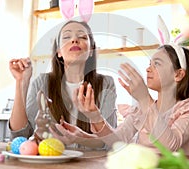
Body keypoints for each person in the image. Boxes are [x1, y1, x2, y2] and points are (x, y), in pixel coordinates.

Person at [51, 44, 189, 156]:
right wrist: (90, 123)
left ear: (178, 74)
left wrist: (143, 98)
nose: (148, 69)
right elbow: (117, 140)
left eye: (157, 64)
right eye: (149, 63)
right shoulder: (143, 109)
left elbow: (170, 145)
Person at [8, 20, 117, 149]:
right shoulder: (43, 82)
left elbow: (109, 143)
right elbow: (20, 136)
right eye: (67, 37)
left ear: (91, 50)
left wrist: (80, 137)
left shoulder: (106, 84)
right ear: (59, 52)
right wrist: (21, 82)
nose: (74, 40)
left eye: (82, 36)